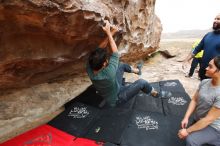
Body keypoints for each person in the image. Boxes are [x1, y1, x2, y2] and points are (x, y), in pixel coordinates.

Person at [86, 20, 171, 107]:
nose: (107, 59)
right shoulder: (109, 73)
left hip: (114, 87)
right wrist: (109, 32)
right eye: (106, 59)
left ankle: (138, 71)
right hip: (117, 98)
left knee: (121, 65)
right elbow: (115, 53)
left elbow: (98, 51)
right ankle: (155, 93)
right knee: (142, 82)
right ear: (104, 64)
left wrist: (111, 32)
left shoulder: (89, 67)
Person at [178, 55, 220, 146]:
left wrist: (187, 131)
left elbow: (208, 120)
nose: (206, 68)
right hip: (200, 119)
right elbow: (194, 100)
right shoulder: (204, 82)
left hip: (213, 126)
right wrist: (186, 117)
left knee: (191, 140)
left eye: (210, 66)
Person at [183, 13, 220, 80]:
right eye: (215, 18)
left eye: (218, 19)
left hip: (216, 73)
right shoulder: (208, 35)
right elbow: (197, 49)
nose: (215, 20)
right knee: (202, 88)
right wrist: (186, 60)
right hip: (204, 71)